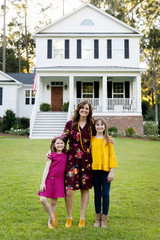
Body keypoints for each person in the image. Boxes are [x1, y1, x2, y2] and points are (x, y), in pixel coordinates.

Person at [62, 100, 94, 228]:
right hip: (72, 160)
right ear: (78, 109)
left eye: (87, 108)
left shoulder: (92, 124)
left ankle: (82, 218)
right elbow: (63, 139)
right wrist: (51, 149)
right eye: (82, 108)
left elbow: (100, 137)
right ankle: (69, 217)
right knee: (69, 190)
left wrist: (109, 139)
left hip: (87, 161)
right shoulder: (70, 124)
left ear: (89, 111)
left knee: (85, 189)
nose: (84, 110)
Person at [91, 117, 118, 228]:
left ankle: (105, 219)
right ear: (94, 127)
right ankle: (98, 219)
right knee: (97, 194)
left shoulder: (108, 139)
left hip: (106, 171)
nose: (100, 126)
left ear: (105, 127)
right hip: (95, 171)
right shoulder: (91, 139)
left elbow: (112, 156)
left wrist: (111, 171)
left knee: (105, 194)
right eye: (97, 124)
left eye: (102, 125)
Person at [37, 136, 67, 229]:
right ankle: (53, 217)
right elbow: (46, 168)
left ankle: (50, 221)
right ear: (54, 144)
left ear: (64, 144)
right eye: (58, 143)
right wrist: (43, 182)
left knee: (53, 203)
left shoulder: (67, 154)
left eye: (62, 143)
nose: (60, 145)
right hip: (49, 179)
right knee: (42, 199)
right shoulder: (51, 154)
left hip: (59, 181)